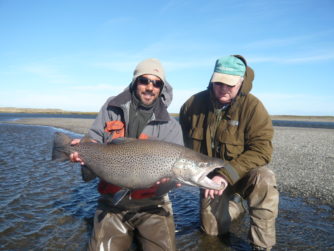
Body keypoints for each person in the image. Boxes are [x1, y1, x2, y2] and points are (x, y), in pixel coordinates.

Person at [71, 58, 183, 251]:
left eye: (157, 83)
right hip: (112, 201)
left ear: (162, 88)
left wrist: (169, 182)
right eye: (144, 80)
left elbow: (173, 178)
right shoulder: (112, 107)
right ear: (134, 82)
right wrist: (80, 150)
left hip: (153, 205)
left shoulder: (171, 126)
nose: (150, 87)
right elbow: (94, 139)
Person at [179, 55, 279, 251]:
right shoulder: (192, 105)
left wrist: (226, 175)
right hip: (209, 177)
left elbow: (262, 150)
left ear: (241, 82)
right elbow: (180, 145)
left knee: (265, 179)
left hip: (242, 174)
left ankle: (262, 246)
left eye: (230, 85)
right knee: (211, 233)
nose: (223, 89)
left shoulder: (253, 108)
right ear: (212, 79)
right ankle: (236, 207)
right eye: (218, 83)